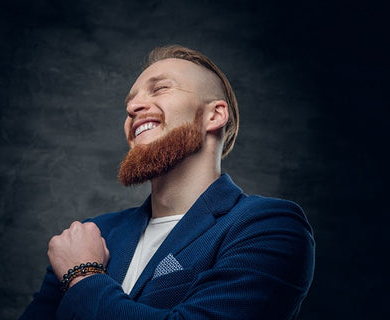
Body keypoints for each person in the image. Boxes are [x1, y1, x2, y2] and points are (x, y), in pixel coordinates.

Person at [20, 45, 315, 319]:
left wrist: (83, 275)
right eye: (130, 100)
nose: (133, 107)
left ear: (215, 114)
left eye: (160, 88)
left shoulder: (268, 226)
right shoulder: (93, 234)